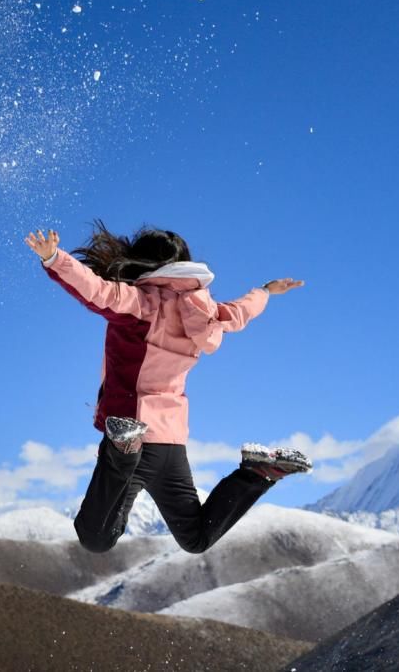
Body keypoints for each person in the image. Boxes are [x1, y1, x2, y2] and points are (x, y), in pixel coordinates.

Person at [23, 221, 310, 555]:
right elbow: (239, 312)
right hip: (171, 443)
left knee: (95, 536)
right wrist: (265, 291)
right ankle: (260, 472)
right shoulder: (205, 313)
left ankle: (122, 451)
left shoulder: (141, 303)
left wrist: (54, 259)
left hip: (134, 434)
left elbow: (95, 290)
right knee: (196, 538)